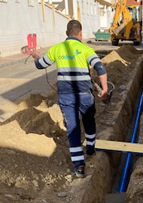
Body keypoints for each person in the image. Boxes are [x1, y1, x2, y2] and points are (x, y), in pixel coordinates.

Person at [30, 20, 108, 177]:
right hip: (85, 94)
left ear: (66, 33)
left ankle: (79, 167)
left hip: (66, 96)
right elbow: (100, 67)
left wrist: (35, 55)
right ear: (80, 33)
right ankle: (91, 148)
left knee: (72, 128)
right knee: (89, 120)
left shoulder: (57, 49)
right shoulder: (85, 49)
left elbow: (40, 64)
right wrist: (105, 88)